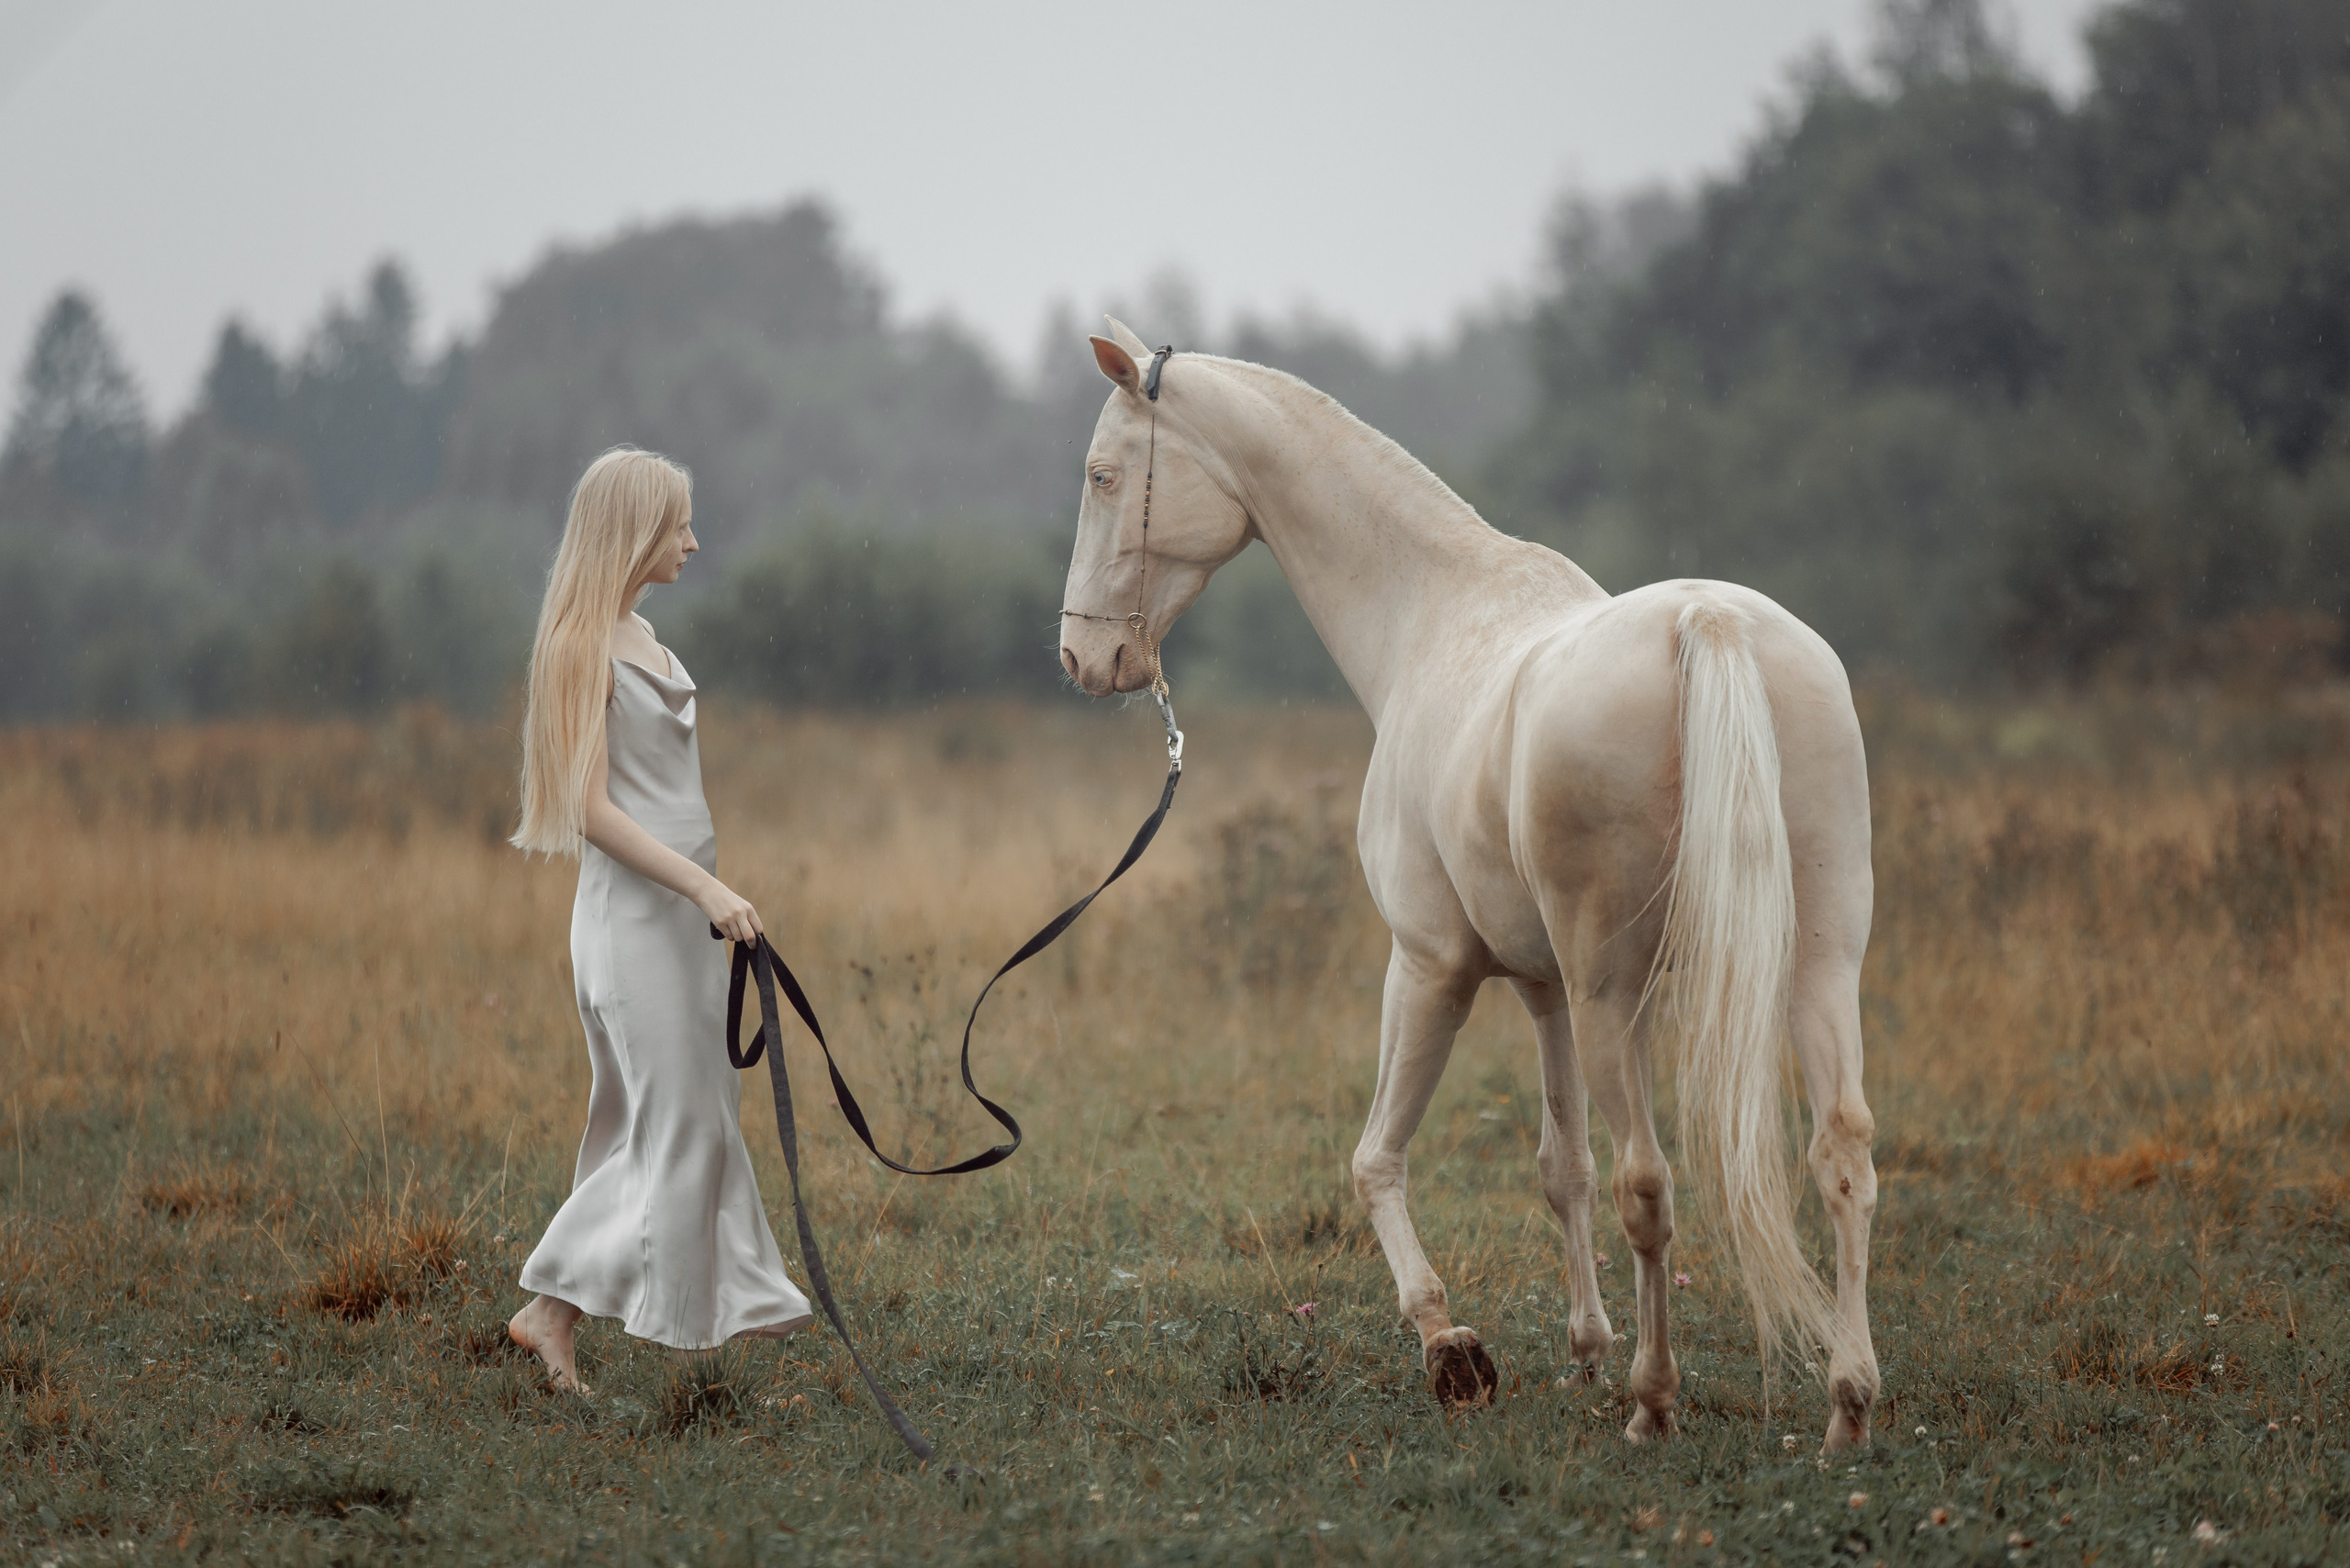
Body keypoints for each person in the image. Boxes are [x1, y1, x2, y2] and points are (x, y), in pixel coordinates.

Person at [505, 446, 811, 1392]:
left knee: (686, 1119)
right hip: (633, 926)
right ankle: (661, 1328)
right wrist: (705, 888)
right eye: (677, 523)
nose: (691, 540)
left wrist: (703, 899)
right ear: (635, 531)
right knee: (675, 1124)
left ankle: (578, 1314)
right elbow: (589, 812)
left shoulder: (644, 635)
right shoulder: (578, 647)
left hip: (679, 923)